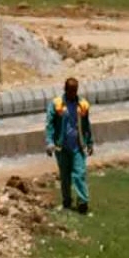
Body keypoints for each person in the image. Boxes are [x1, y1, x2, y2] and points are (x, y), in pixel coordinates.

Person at [45, 77, 94, 214]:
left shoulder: (82, 105)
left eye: (75, 91)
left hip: (77, 146)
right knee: (65, 176)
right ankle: (67, 202)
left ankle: (83, 202)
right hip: (62, 147)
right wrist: (49, 142)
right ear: (65, 90)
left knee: (79, 174)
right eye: (71, 91)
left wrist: (90, 142)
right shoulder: (57, 104)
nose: (73, 93)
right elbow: (49, 125)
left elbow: (86, 125)